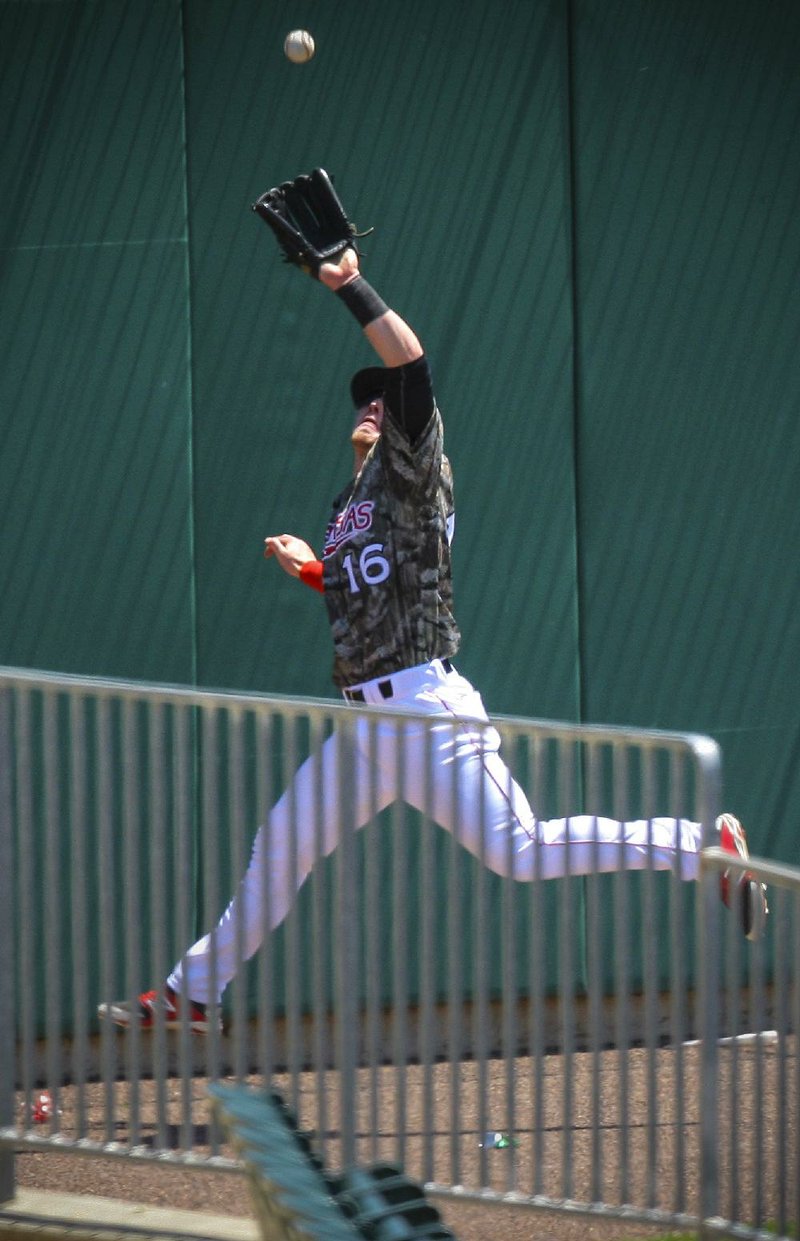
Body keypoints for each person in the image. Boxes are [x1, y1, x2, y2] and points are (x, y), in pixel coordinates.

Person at [101, 196, 767, 1034]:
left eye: (379, 400)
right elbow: (370, 595)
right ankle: (195, 991)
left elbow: (409, 365)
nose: (371, 405)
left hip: (424, 713)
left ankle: (699, 843)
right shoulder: (353, 498)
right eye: (362, 400)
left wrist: (350, 285)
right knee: (284, 843)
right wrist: (314, 565)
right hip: (367, 726)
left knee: (519, 852)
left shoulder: (414, 467)